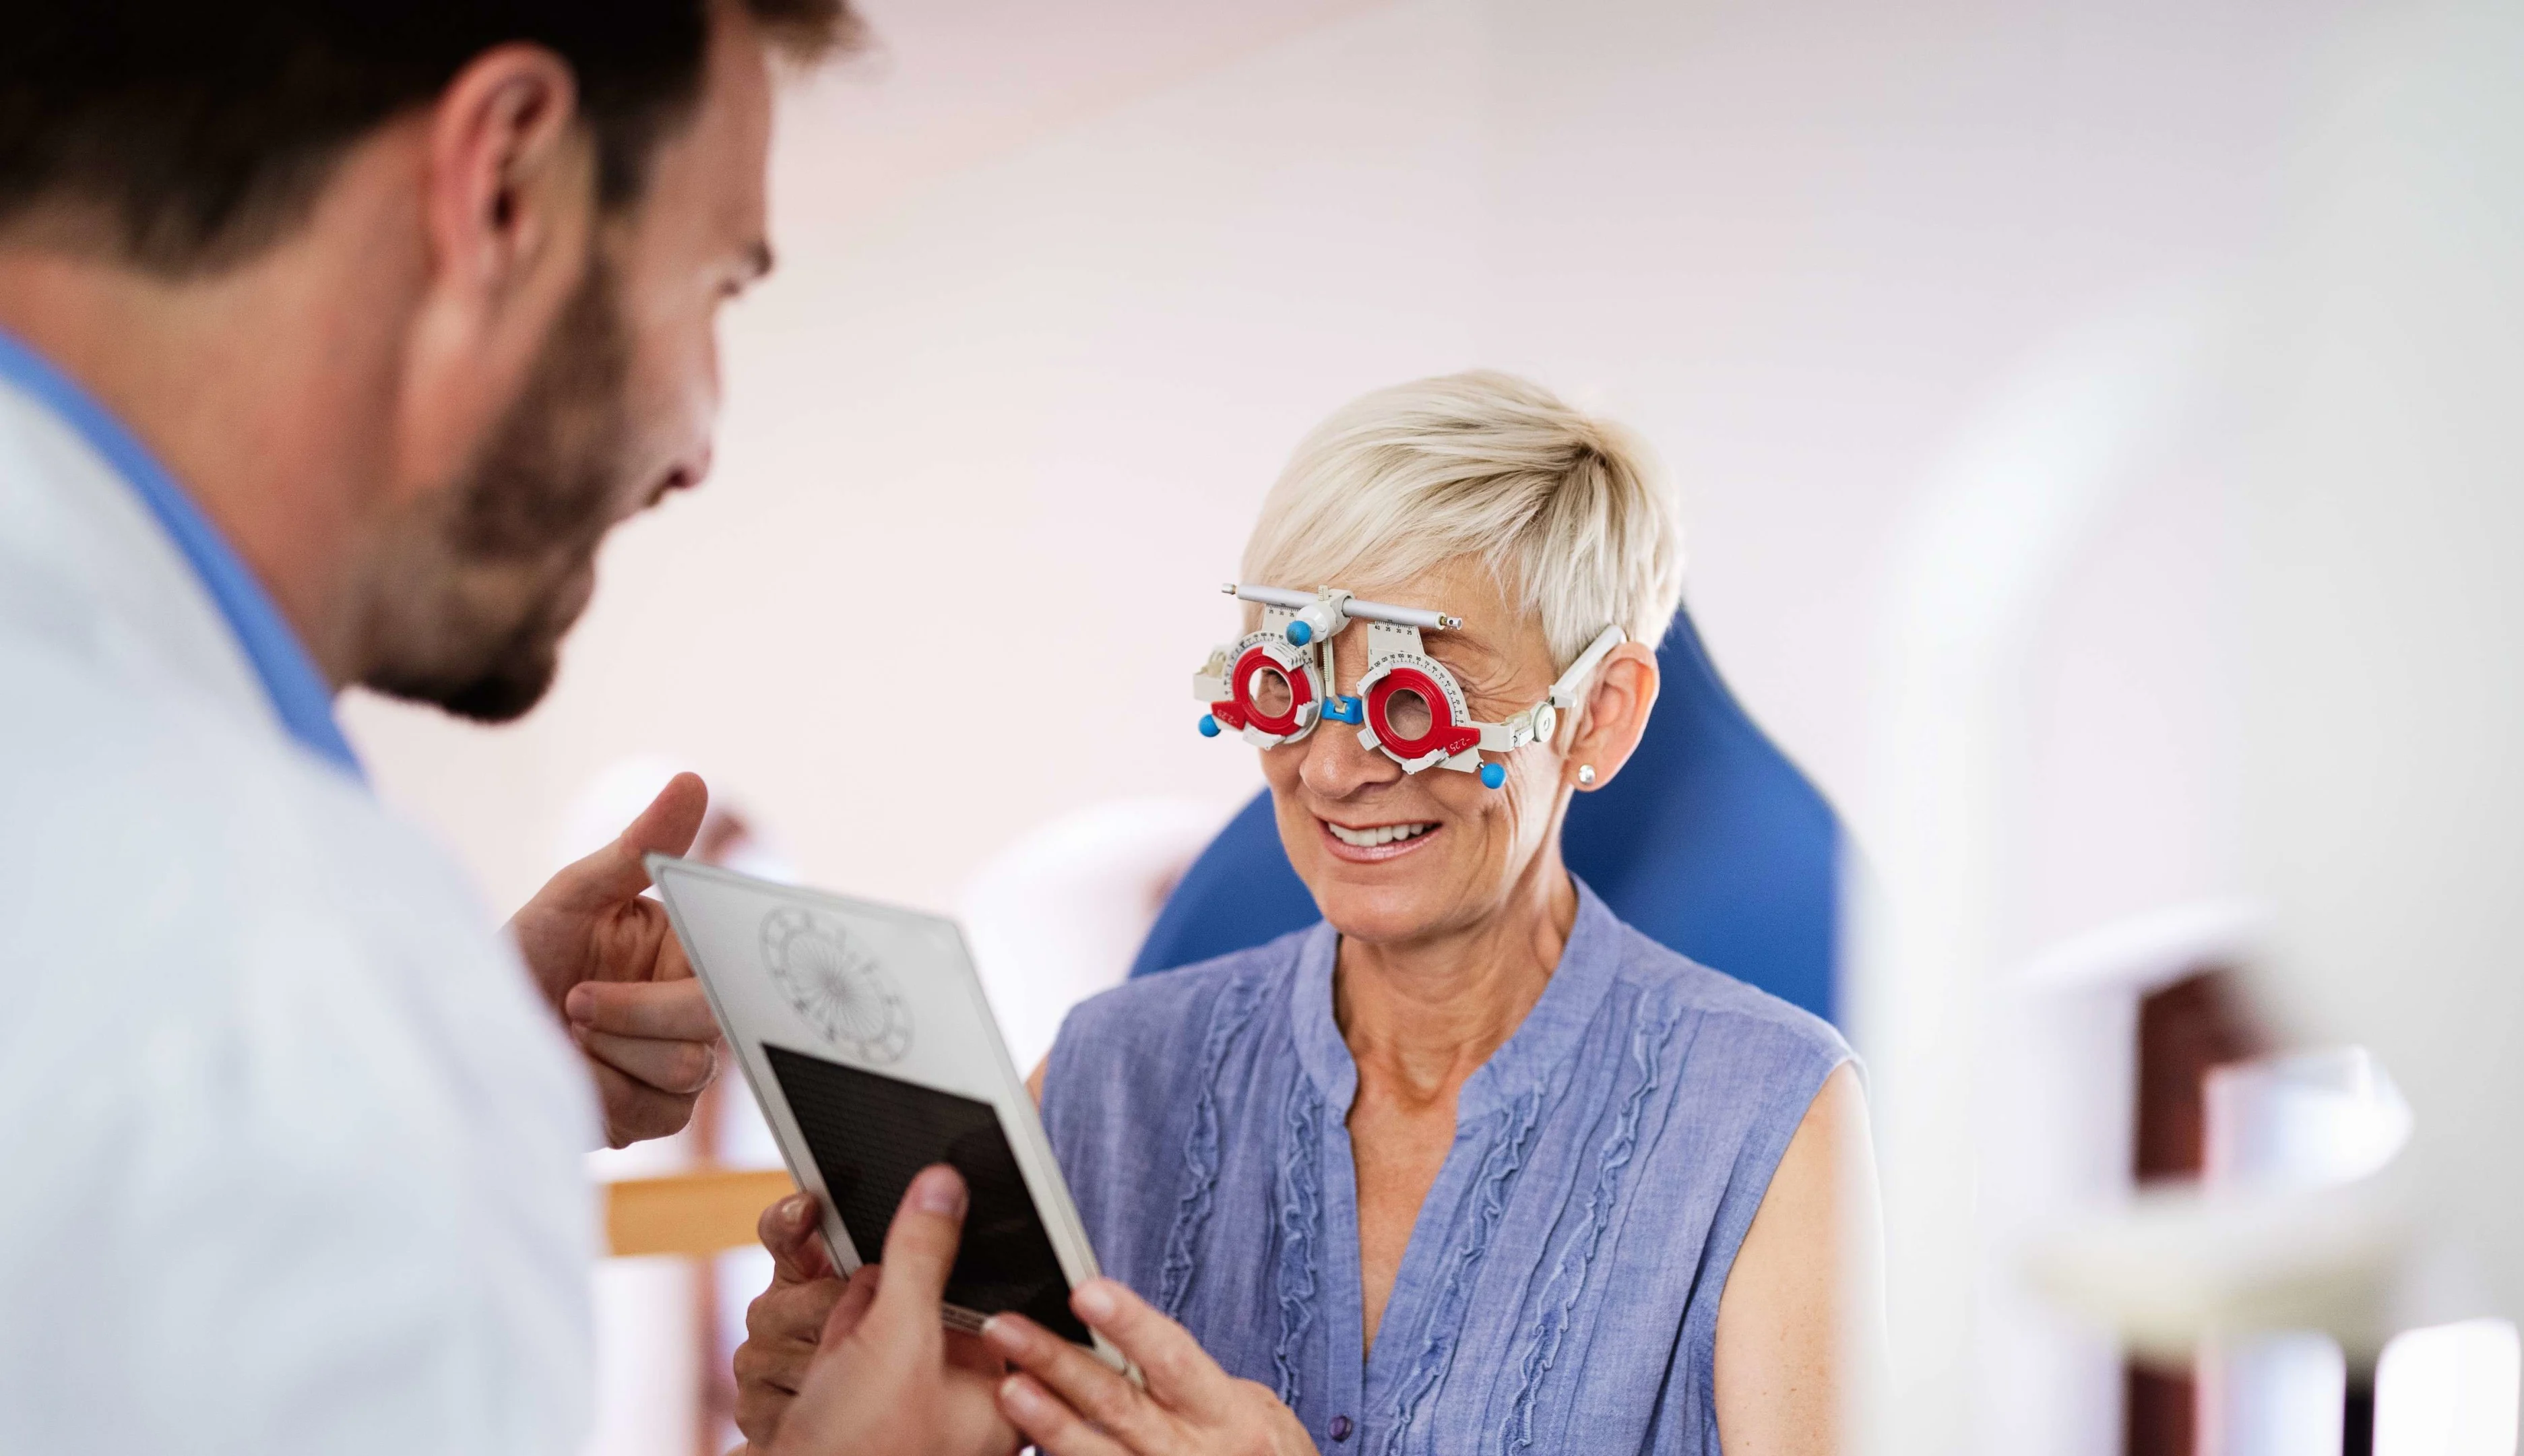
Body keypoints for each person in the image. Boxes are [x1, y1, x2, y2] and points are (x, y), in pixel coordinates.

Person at [0, 3, 1013, 1451]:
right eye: (715, 288)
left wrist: (469, 1064)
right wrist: (405, 1077)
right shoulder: (286, 976)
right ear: (505, 184)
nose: (698, 441)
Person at [737, 373, 1883, 1454]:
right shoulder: (1109, 1071)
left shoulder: (1770, 1115)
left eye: (1411, 696)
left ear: (1598, 718)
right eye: (1286, 680)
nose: (1332, 771)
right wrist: (841, 1407)